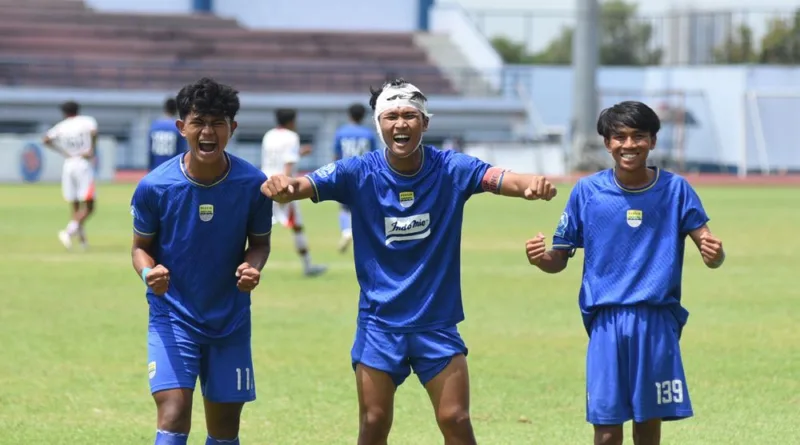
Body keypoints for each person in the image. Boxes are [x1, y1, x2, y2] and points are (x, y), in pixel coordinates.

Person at [261, 78, 557, 445]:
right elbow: (301, 185)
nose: (400, 123)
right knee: (373, 423)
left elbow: (499, 177)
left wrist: (531, 184)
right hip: (379, 324)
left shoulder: (451, 168)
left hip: (436, 323)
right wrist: (284, 186)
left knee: (456, 419)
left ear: (425, 123)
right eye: (391, 116)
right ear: (379, 124)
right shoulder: (358, 171)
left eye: (409, 116)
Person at [525, 101, 726, 445]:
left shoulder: (676, 190)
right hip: (605, 320)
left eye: (638, 137)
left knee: (648, 424)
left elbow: (709, 248)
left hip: (655, 318)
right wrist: (540, 258)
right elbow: (560, 258)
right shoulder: (587, 192)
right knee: (605, 427)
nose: (629, 145)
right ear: (607, 142)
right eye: (619, 137)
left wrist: (715, 255)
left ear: (653, 141)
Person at [130, 77, 273, 445]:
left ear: (232, 128)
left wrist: (253, 266)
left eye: (217, 122)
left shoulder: (253, 185)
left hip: (229, 321)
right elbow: (139, 247)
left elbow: (259, 243)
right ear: (182, 127)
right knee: (173, 413)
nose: (208, 131)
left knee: (225, 427)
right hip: (173, 316)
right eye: (198, 122)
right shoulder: (155, 187)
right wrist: (149, 271)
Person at [261, 108, 326, 277]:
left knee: (256, 226)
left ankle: (239, 263)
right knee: (297, 226)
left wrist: (299, 153)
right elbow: (288, 164)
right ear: (291, 121)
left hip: (265, 184)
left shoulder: (269, 135)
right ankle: (308, 266)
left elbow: (279, 157)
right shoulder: (292, 137)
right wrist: (287, 190)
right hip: (282, 185)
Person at [42, 100, 98, 251]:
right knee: (90, 205)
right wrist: (91, 148)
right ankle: (68, 232)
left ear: (64, 112)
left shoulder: (61, 126)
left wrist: (62, 151)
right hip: (83, 163)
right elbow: (93, 132)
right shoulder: (86, 121)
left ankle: (82, 242)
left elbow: (46, 139)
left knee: (75, 205)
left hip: (69, 163)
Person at [332, 102, 379, 252]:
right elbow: (373, 156)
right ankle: (365, 237)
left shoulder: (341, 132)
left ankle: (346, 231)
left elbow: (336, 155)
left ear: (349, 115)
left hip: (346, 172)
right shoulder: (369, 134)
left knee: (344, 207)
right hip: (364, 173)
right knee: (363, 206)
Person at [148, 97, 188, 171]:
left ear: (165, 109)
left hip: (156, 168)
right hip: (172, 169)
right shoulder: (178, 127)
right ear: (176, 110)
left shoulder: (154, 125)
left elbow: (150, 151)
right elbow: (182, 151)